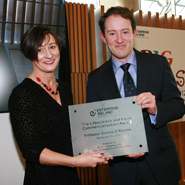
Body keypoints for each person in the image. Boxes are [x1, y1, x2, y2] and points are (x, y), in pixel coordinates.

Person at [86, 6, 185, 185]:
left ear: (134, 33)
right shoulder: (95, 79)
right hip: (123, 171)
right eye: (112, 33)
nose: (120, 40)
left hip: (163, 166)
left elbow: (179, 106)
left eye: (125, 32)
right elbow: (95, 130)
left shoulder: (158, 64)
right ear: (103, 37)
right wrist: (120, 147)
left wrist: (156, 109)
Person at [8, 25, 109, 185]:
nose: (49, 55)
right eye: (40, 50)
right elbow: (32, 150)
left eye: (52, 47)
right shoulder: (22, 94)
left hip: (70, 177)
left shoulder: (65, 88)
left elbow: (70, 135)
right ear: (30, 54)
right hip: (43, 179)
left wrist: (96, 149)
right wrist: (75, 162)